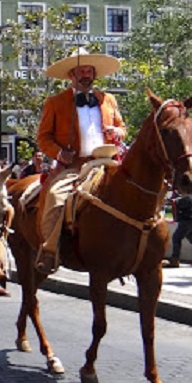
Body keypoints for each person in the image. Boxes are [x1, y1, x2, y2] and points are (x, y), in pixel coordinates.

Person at [35, 47, 126, 275]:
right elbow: (43, 137)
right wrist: (59, 153)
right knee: (55, 196)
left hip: (107, 161)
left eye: (89, 70)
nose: (86, 75)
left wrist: (118, 132)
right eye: (81, 71)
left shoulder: (108, 99)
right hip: (74, 166)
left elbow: (122, 127)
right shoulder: (55, 102)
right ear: (71, 75)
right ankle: (49, 249)